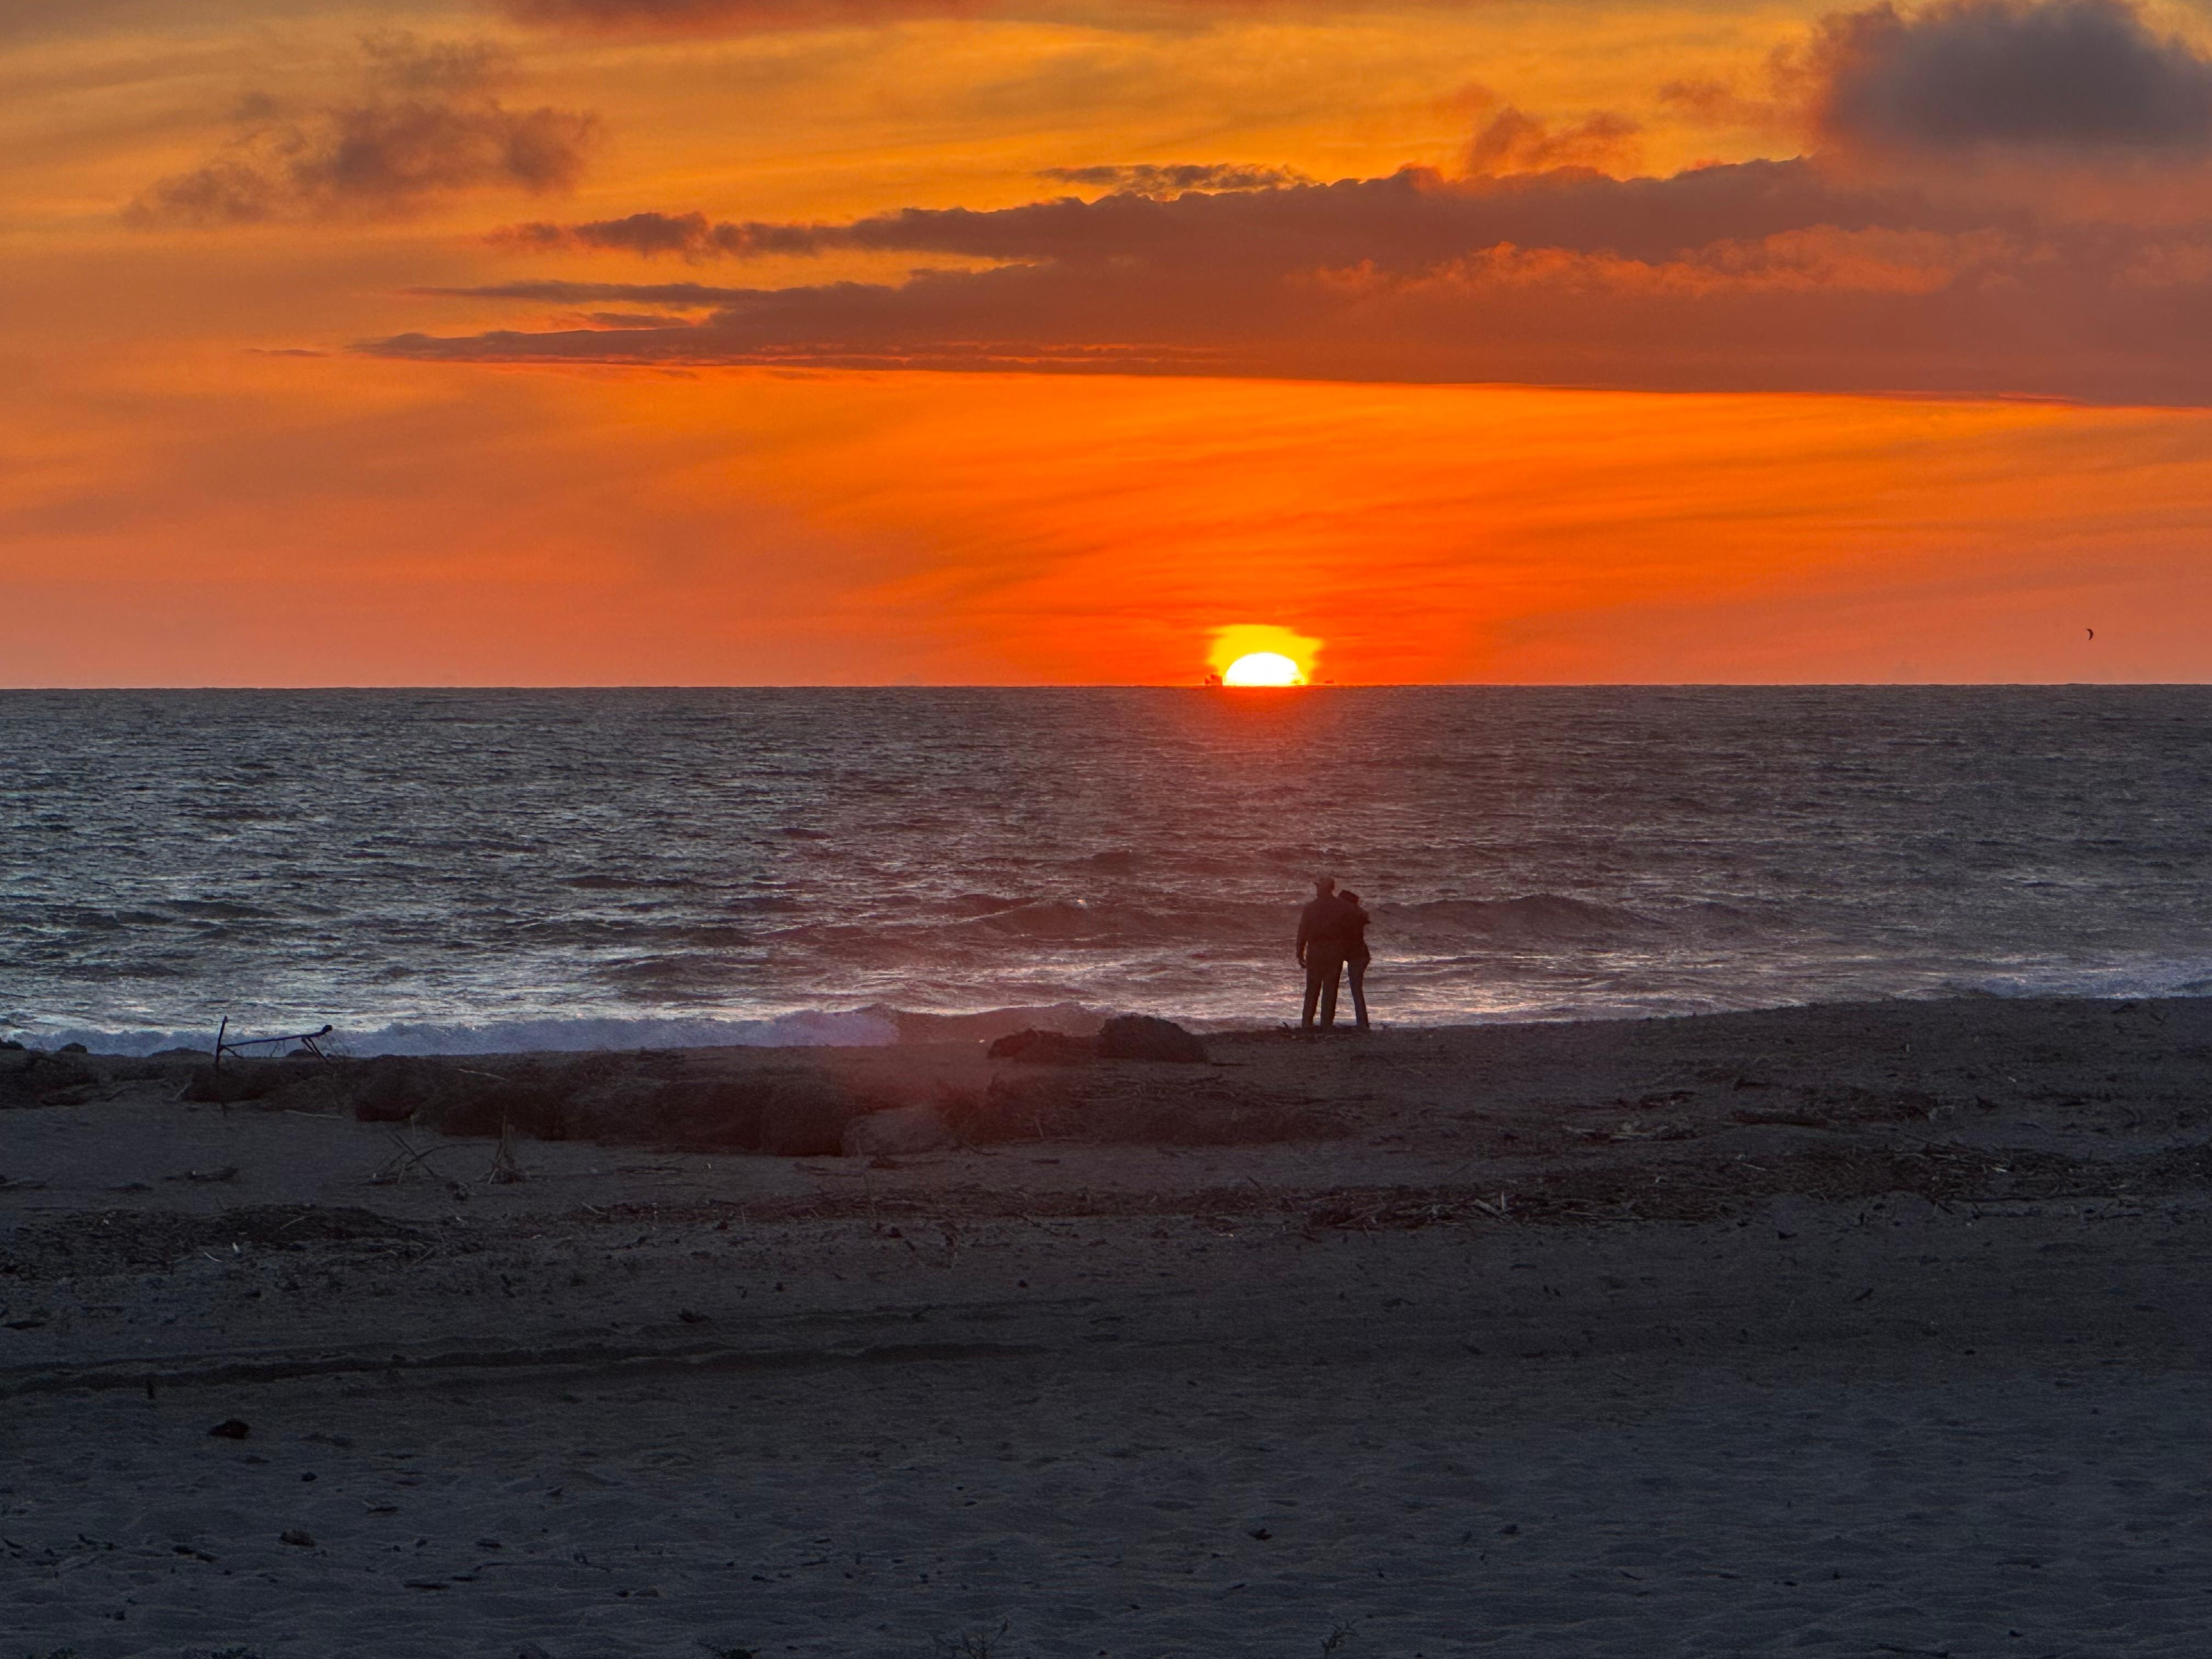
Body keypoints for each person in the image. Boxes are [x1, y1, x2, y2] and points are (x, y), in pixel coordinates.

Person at [1295, 877, 1349, 1031]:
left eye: (1319, 887)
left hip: (1316, 951)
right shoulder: (1341, 907)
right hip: (1334, 952)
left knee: (1312, 988)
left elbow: (1303, 931)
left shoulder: (1311, 908)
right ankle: (1326, 1023)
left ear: (1326, 888)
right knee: (1330, 989)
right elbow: (1348, 931)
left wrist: (1300, 952)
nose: (1317, 890)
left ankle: (1307, 1023)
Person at [1337, 888, 1373, 1031]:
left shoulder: (1351, 919)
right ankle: (1363, 1022)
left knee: (1356, 990)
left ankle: (1362, 1023)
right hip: (1360, 956)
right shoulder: (1357, 916)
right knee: (1356, 990)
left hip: (1357, 956)